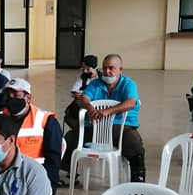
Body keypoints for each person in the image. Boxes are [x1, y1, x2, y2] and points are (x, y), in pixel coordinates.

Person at [61, 54, 146, 183]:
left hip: (120, 128)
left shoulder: (128, 84)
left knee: (133, 142)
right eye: (105, 68)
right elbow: (83, 99)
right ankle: (67, 174)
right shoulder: (96, 84)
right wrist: (90, 108)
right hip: (94, 127)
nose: (107, 71)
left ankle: (137, 178)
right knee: (71, 138)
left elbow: (130, 102)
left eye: (111, 68)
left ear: (120, 69)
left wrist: (107, 111)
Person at [0, 78, 61, 195]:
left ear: (28, 98)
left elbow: (54, 159)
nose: (11, 99)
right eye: (8, 95)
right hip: (4, 177)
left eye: (16, 95)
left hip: (34, 178)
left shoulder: (46, 120)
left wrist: (49, 187)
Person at [63, 55, 99, 130]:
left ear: (95, 68)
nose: (85, 71)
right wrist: (77, 94)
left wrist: (85, 94)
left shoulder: (100, 79)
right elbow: (75, 90)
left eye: (88, 69)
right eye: (83, 68)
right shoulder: (83, 78)